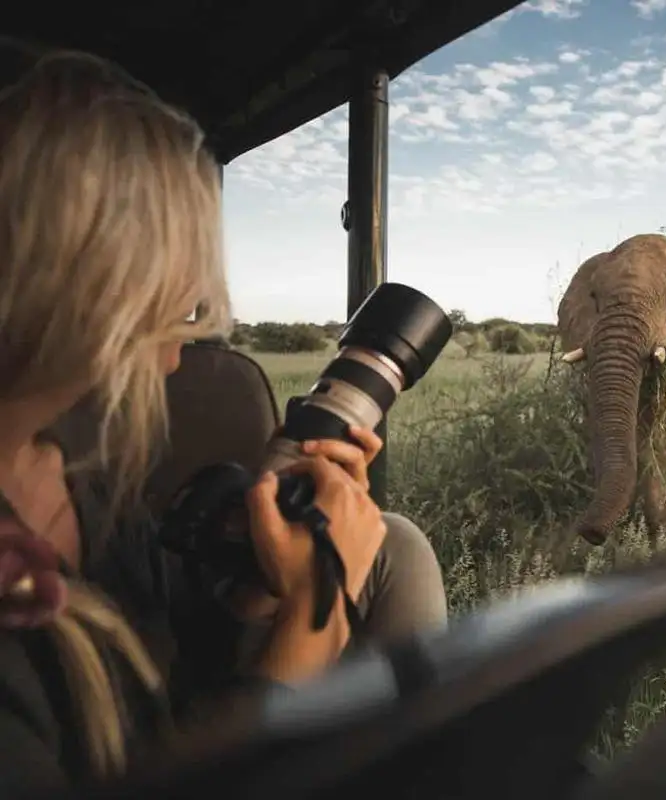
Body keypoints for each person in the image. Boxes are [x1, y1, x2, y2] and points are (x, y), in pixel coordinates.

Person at [0, 42, 444, 795]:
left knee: (393, 541)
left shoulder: (69, 469)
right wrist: (313, 616)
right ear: (81, 304)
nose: (176, 361)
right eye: (176, 313)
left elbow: (165, 651)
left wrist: (259, 589)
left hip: (173, 734)